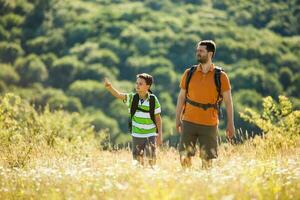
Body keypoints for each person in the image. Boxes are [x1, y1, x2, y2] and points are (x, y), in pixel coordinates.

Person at [175, 40, 235, 169]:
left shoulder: (221, 76)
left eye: (201, 51)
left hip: (209, 123)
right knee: (184, 156)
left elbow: (228, 102)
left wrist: (231, 123)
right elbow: (181, 98)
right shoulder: (189, 73)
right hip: (189, 121)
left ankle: (204, 184)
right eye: (197, 50)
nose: (198, 53)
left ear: (210, 53)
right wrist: (177, 119)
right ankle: (187, 181)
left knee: (207, 160)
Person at [104, 73, 162, 166]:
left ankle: (150, 175)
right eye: (137, 83)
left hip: (150, 134)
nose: (137, 85)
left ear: (148, 86)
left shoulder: (153, 100)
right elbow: (119, 95)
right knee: (137, 161)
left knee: (151, 159)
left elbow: (158, 119)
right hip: (136, 134)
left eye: (140, 84)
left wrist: (159, 135)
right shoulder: (131, 98)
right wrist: (110, 87)